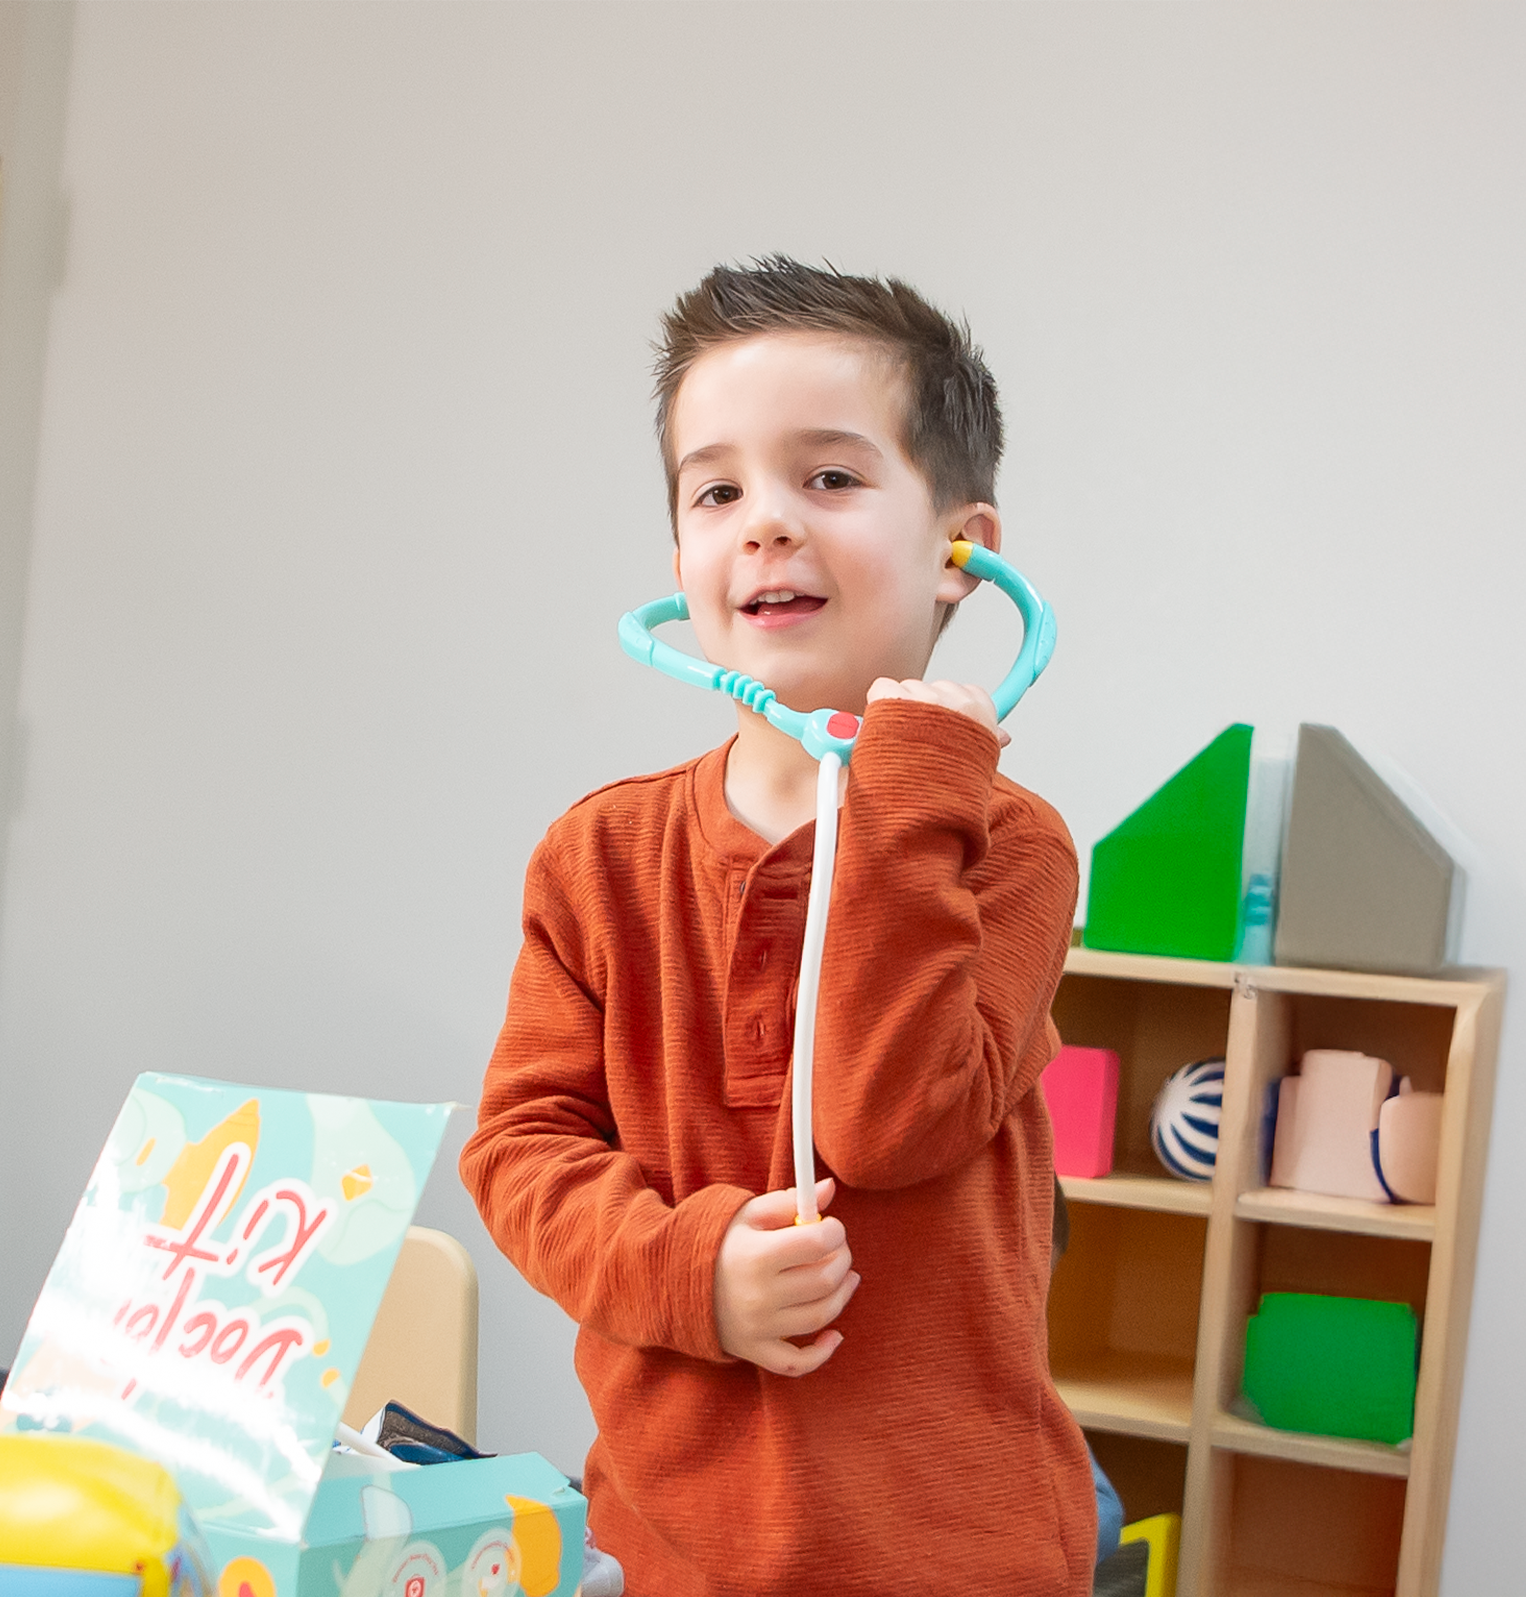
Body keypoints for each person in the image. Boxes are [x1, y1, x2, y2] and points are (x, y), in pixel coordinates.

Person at [460, 256, 1094, 1596]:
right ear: (680, 556)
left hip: (948, 1555)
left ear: (960, 555)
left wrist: (915, 789)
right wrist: (691, 1272)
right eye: (717, 490)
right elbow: (520, 1153)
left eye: (829, 478)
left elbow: (888, 1118)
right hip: (672, 1543)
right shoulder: (600, 858)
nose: (763, 523)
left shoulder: (1010, 846)